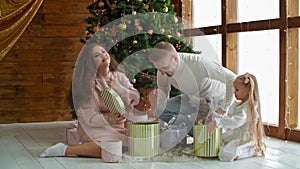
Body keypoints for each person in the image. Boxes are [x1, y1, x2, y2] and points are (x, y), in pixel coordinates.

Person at [40, 43, 140, 158]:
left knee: (135, 144)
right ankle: (64, 150)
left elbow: (136, 99)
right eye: (97, 55)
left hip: (118, 127)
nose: (104, 55)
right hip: (93, 128)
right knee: (109, 149)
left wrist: (122, 90)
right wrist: (111, 118)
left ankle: (93, 146)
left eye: (103, 51)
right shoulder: (86, 84)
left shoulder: (119, 76)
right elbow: (90, 119)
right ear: (89, 63)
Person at [148, 41, 236, 134]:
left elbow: (232, 79)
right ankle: (196, 132)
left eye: (165, 67)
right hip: (193, 99)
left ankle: (203, 133)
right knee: (160, 109)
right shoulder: (162, 72)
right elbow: (163, 96)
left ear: (175, 58)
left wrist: (224, 108)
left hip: (216, 100)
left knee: (212, 136)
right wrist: (160, 124)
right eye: (158, 69)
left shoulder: (198, 64)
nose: (162, 72)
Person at [207, 72, 266, 162]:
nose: (234, 93)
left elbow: (237, 121)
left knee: (225, 155)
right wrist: (216, 115)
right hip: (235, 134)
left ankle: (251, 150)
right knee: (216, 142)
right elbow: (229, 117)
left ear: (248, 90)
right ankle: (241, 150)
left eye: (237, 90)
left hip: (245, 138)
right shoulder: (237, 104)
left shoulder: (249, 107)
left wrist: (218, 122)